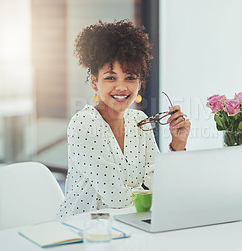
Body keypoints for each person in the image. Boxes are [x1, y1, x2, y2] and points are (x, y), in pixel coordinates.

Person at [57, 20, 190, 218]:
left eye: (130, 77)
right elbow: (117, 199)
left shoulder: (139, 120)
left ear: (139, 82)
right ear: (94, 81)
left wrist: (177, 144)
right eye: (111, 78)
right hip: (83, 232)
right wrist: (150, 189)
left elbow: (162, 183)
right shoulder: (84, 124)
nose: (121, 87)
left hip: (128, 225)